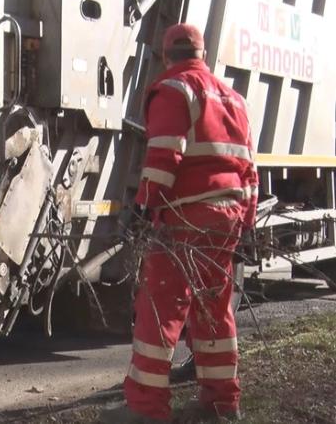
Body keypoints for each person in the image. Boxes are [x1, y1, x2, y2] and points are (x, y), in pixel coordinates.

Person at [100, 24, 258, 423]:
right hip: (227, 217)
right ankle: (222, 404)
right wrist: (247, 226)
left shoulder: (173, 89)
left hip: (186, 217)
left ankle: (146, 410)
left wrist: (143, 208)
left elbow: (164, 156)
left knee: (160, 308)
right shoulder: (234, 99)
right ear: (203, 54)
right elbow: (250, 172)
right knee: (213, 311)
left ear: (167, 54)